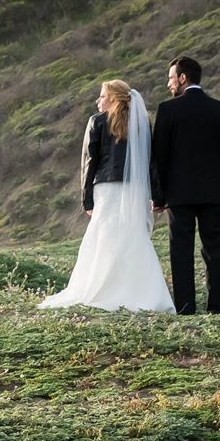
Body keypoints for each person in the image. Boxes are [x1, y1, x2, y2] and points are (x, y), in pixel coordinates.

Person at [38, 79, 175, 313]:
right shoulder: (141, 123)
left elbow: (89, 163)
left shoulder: (97, 122)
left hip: (107, 189)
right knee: (134, 237)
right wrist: (158, 196)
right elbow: (151, 163)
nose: (97, 100)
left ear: (112, 99)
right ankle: (143, 293)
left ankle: (102, 290)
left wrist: (86, 198)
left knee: (104, 238)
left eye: (101, 96)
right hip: (134, 189)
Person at [151, 56, 220, 315]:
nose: (169, 84)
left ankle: (186, 308)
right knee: (215, 251)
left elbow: (159, 158)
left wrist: (158, 197)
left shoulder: (167, 110)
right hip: (213, 194)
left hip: (179, 194)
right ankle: (217, 307)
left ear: (183, 78)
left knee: (181, 252)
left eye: (170, 78)